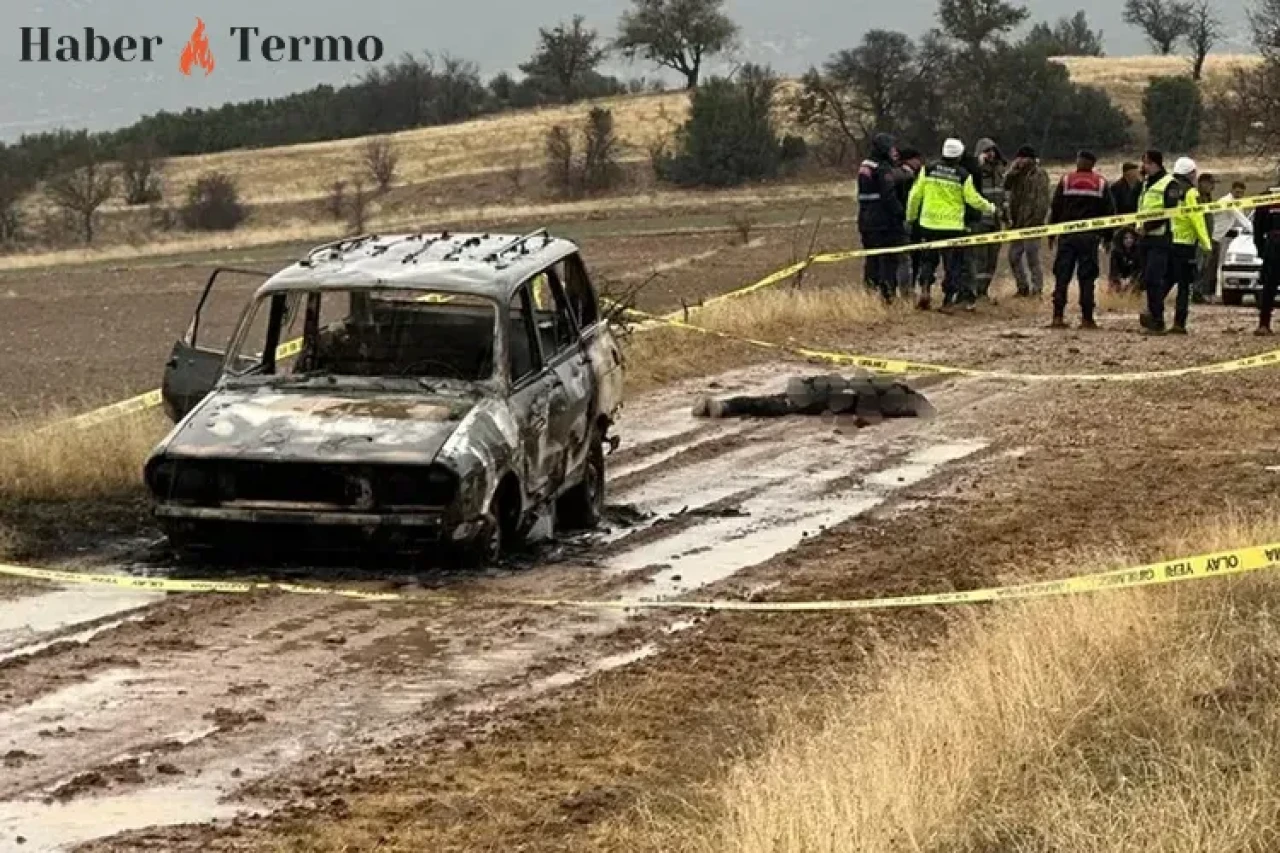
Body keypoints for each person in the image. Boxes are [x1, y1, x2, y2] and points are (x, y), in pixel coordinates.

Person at [906, 138, 996, 312]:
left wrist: (911, 217)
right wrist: (990, 208)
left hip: (928, 224)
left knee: (928, 260)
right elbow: (973, 199)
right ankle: (948, 300)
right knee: (952, 265)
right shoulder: (963, 175)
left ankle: (925, 289)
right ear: (959, 155)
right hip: (952, 227)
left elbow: (915, 195)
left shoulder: (928, 169)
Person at [1046, 150, 1116, 329]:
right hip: (1089, 237)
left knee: (1062, 276)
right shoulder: (1100, 183)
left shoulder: (1066, 180)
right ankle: (1087, 318)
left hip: (1067, 236)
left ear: (1079, 162)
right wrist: (1108, 237)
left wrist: (1051, 233)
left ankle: (1057, 317)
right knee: (1087, 278)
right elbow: (1109, 212)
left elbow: (1056, 208)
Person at [691, 374, 933, 421]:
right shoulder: (881, 396)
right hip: (821, 394)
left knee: (774, 403)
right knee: (776, 404)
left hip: (821, 393)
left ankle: (724, 406)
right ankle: (724, 406)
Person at [1163, 157, 1212, 334]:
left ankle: (1151, 312)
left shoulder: (1169, 188)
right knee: (1184, 286)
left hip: (1168, 240)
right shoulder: (1191, 192)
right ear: (1190, 173)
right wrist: (1206, 243)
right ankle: (1179, 323)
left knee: (1167, 280)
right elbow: (1196, 218)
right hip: (1185, 244)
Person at [1137, 149, 1185, 334]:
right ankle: (1152, 317)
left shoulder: (1170, 184)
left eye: (1147, 163)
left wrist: (1147, 226)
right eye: (1143, 163)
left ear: (1156, 163)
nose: (1144, 166)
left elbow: (1168, 212)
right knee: (1147, 281)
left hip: (1160, 238)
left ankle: (1158, 320)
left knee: (1154, 279)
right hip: (1145, 238)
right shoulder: (1146, 183)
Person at [857, 132, 907, 302]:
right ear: (884, 148)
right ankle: (888, 295)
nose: (895, 151)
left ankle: (870, 294)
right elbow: (888, 196)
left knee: (872, 259)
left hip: (865, 220)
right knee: (889, 259)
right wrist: (901, 213)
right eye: (891, 148)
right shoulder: (882, 168)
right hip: (883, 222)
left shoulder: (865, 165)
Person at [1003, 144, 1051, 297]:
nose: (1020, 161)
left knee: (1032, 257)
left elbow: (1042, 200)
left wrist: (1036, 220)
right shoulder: (1016, 174)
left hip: (1032, 222)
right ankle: (1022, 287)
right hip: (1017, 222)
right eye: (1019, 158)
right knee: (1013, 257)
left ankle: (1037, 289)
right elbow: (1005, 185)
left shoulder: (1039, 174)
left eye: (1023, 158)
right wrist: (1012, 171)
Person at [966, 138, 1007, 300]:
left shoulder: (1000, 170)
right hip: (980, 221)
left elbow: (1003, 193)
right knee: (979, 258)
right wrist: (978, 165)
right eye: (987, 151)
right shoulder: (975, 171)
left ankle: (984, 290)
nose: (991, 154)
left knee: (992, 258)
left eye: (993, 151)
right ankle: (975, 291)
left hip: (996, 220)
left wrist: (1005, 213)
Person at [1203, 180, 1253, 302]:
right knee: (1208, 268)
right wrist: (1254, 229)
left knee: (1215, 267)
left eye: (1241, 193)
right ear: (1232, 190)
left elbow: (1239, 221)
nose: (1239, 195)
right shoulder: (1226, 201)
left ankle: (1211, 294)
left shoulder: (1237, 203)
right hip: (1211, 237)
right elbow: (1241, 219)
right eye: (1237, 192)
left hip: (1219, 238)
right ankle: (1204, 293)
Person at [893, 147, 925, 294]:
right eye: (917, 159)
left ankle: (911, 286)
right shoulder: (904, 177)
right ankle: (907, 289)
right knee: (907, 258)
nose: (920, 162)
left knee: (915, 257)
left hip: (914, 220)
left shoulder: (914, 175)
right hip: (907, 221)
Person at [1108, 162, 1143, 289]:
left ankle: (1134, 284)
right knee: (1117, 256)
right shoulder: (1116, 187)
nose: (1137, 174)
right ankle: (1114, 285)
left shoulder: (1140, 186)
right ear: (1127, 173)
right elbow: (1112, 209)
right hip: (1120, 228)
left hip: (1136, 227)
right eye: (1135, 172)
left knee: (1137, 255)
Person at [1252, 176, 1280, 335]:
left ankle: (1264, 323)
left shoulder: (1267, 196)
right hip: (1273, 245)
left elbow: (1257, 228)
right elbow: (1257, 227)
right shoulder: (1266, 197)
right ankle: (1263, 324)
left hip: (1271, 245)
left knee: (1269, 287)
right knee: (1269, 287)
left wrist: (1261, 249)